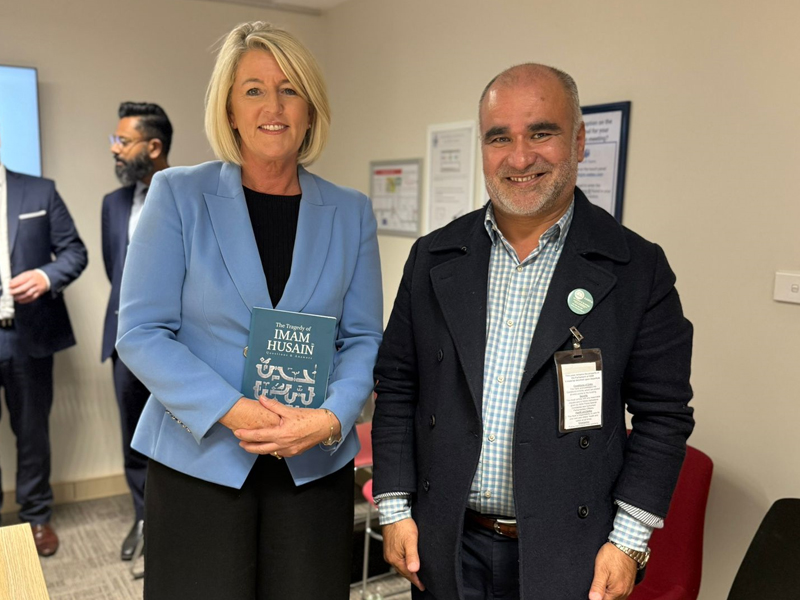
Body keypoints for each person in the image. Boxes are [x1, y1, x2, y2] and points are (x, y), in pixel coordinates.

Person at [371, 64, 694, 600]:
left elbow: (664, 415)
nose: (520, 158)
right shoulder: (433, 257)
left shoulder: (637, 268)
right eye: (500, 137)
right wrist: (394, 508)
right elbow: (398, 387)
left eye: (541, 133)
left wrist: (629, 541)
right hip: (445, 542)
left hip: (572, 553)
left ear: (579, 141)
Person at [116, 21, 382, 599]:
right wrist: (235, 412)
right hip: (199, 460)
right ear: (230, 110)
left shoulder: (351, 211)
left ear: (310, 109)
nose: (273, 107)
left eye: (290, 90)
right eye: (254, 90)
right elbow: (140, 332)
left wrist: (331, 418)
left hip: (312, 465)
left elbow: (363, 338)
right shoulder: (178, 195)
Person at [0, 134, 88, 556]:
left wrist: (45, 276)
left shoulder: (40, 191)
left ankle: (36, 517)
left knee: (33, 430)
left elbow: (74, 251)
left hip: (28, 335)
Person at [101, 101, 172, 560]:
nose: (114, 149)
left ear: (154, 146)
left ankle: (176, 522)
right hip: (125, 342)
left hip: (179, 345)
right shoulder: (112, 204)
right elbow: (116, 271)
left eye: (123, 141)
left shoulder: (191, 194)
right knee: (133, 438)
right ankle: (144, 518)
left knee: (180, 436)